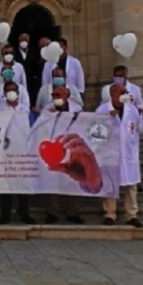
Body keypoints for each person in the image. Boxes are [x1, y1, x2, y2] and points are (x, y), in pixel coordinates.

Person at [96, 83, 143, 228]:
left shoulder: (132, 110)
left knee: (131, 186)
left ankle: (131, 215)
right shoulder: (103, 109)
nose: (126, 93)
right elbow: (95, 130)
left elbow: (140, 128)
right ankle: (110, 214)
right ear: (113, 94)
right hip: (110, 154)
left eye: (126, 91)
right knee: (110, 184)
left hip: (128, 153)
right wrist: (107, 120)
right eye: (122, 92)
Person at [0, 82, 35, 225]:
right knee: (6, 185)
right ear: (4, 93)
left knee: (23, 184)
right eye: (8, 91)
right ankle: (5, 215)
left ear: (18, 92)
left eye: (14, 90)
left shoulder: (25, 110)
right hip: (5, 151)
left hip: (22, 150)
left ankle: (24, 214)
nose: (12, 93)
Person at [43, 86, 85, 224]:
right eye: (54, 95)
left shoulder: (76, 108)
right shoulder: (48, 108)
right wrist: (50, 116)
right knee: (53, 180)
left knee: (73, 180)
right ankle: (52, 212)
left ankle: (73, 212)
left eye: (58, 95)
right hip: (54, 147)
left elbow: (82, 124)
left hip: (71, 148)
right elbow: (42, 127)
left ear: (67, 96)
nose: (56, 97)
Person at [14, 33, 42, 106]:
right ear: (18, 41)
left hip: (32, 82)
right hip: (19, 82)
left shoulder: (35, 52)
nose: (24, 41)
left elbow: (37, 66)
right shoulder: (14, 53)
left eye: (25, 40)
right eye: (22, 40)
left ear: (28, 41)